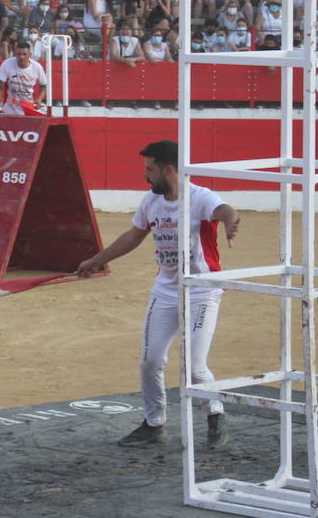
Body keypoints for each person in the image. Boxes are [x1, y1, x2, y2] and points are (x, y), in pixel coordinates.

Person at [75, 140, 241, 448]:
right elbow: (134, 235)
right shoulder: (151, 202)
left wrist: (230, 221)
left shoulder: (199, 197)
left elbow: (224, 209)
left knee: (194, 365)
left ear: (168, 170)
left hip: (202, 291)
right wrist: (97, 260)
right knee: (150, 361)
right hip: (165, 291)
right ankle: (154, 424)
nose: (145, 176)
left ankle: (215, 413)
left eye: (149, 169)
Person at [0, 40, 48, 114]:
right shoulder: (7, 64)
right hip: (10, 106)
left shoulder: (37, 67)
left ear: (30, 54)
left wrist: (39, 99)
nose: (21, 57)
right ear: (15, 54)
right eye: (19, 54)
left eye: (24, 54)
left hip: (28, 106)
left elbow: (44, 85)